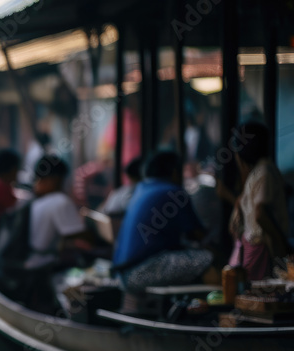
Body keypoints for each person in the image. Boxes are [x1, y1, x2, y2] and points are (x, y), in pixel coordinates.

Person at [113, 151, 211, 293]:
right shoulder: (174, 192)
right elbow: (197, 235)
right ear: (174, 171)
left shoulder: (141, 189)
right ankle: (219, 308)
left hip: (122, 274)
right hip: (139, 272)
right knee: (208, 260)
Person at [227, 122, 291, 280]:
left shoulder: (257, 173)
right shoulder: (265, 171)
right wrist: (283, 244)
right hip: (261, 246)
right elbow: (260, 213)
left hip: (254, 246)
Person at [26, 155, 89, 269]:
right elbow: (80, 238)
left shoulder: (34, 202)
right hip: (43, 267)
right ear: (54, 179)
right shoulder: (60, 200)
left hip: (30, 263)